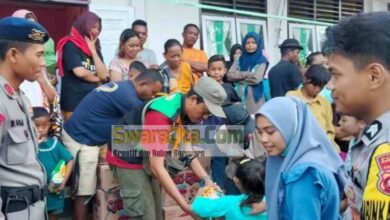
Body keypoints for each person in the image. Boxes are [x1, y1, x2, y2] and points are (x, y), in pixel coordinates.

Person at [109, 76, 227, 220]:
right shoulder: (161, 115)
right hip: (127, 157)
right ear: (193, 99)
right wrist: (186, 207)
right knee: (145, 214)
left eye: (209, 114)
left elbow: (187, 152)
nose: (205, 117)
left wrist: (207, 180)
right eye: (204, 111)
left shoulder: (186, 112)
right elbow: (157, 167)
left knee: (157, 213)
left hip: (146, 155)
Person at [61, 69, 162, 220]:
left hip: (91, 138)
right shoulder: (129, 98)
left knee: (99, 183)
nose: (152, 96)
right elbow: (146, 124)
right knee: (84, 189)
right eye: (153, 92)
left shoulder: (125, 87)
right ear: (143, 84)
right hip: (81, 139)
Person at [323, 12, 390, 219]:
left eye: (335, 74)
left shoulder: (384, 148)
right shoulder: (372, 137)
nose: (330, 85)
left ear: (373, 76)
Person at [256, 97, 346, 220]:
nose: (264, 139)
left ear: (291, 128)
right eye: (259, 132)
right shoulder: (314, 157)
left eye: (270, 131)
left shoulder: (303, 175)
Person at [0, 16, 49, 220]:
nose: (43, 62)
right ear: (13, 55)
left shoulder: (19, 96)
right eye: (38, 55)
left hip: (32, 208)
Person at [57, 11, 108, 121]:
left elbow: (104, 74)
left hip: (92, 102)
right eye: (93, 27)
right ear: (84, 26)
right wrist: (97, 78)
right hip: (74, 104)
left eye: (98, 28)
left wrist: (93, 51)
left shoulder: (96, 47)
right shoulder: (70, 45)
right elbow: (80, 72)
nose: (96, 31)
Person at [33, 107, 74, 220]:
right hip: (35, 192)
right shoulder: (28, 146)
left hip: (53, 190)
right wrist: (34, 145)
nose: (41, 130)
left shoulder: (54, 144)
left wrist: (64, 181)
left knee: (53, 216)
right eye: (36, 126)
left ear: (50, 124)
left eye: (44, 126)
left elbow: (69, 160)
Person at [191, 159, 267, 220]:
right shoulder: (273, 203)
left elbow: (197, 207)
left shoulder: (230, 202)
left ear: (236, 180)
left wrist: (200, 193)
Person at [12, 9, 57, 108]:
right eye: (27, 26)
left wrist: (43, 81)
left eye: (34, 27)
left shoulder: (39, 59)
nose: (32, 31)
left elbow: (54, 99)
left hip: (39, 116)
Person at [286, 64, 336, 148]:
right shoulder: (291, 97)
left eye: (321, 87)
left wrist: (326, 142)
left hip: (321, 146)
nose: (317, 89)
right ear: (305, 79)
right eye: (314, 85)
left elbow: (329, 129)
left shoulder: (324, 103)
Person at [227, 32, 268, 114]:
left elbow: (256, 79)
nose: (250, 45)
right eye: (247, 43)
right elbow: (229, 75)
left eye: (253, 42)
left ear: (258, 44)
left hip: (253, 98)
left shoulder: (262, 59)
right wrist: (246, 74)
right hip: (238, 95)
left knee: (254, 121)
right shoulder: (239, 58)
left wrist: (238, 80)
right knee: (240, 120)